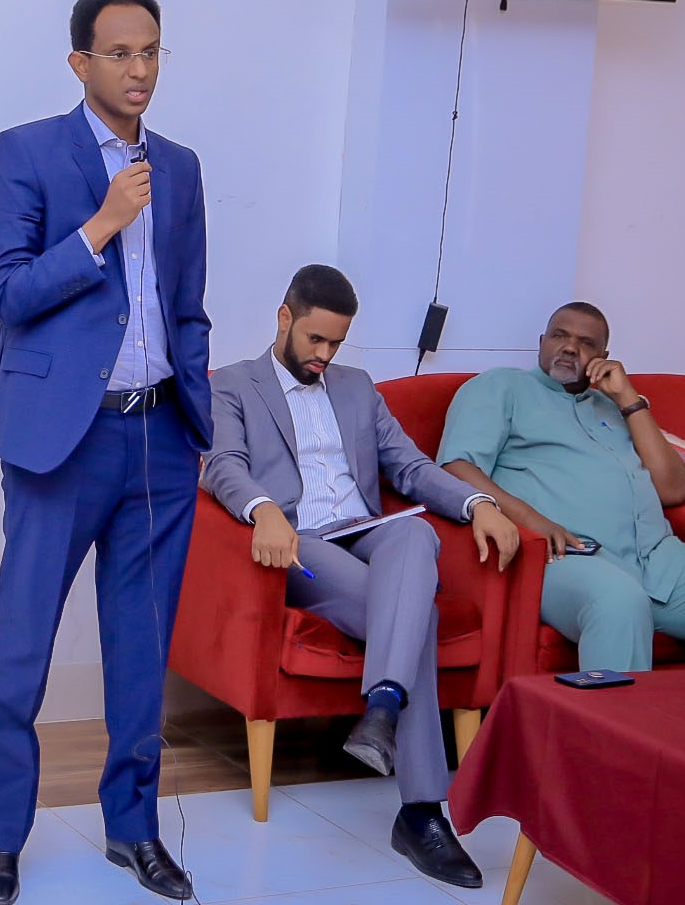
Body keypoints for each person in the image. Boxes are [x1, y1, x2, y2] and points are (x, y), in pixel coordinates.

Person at [0, 0, 212, 905]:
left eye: (151, 51)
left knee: (141, 649)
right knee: (23, 646)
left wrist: (198, 424)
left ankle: (134, 830)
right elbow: (10, 293)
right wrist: (102, 223)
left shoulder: (181, 167)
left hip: (160, 438)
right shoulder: (27, 152)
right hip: (59, 443)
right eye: (120, 53)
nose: (139, 70)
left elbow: (188, 306)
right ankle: (2, 837)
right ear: (81, 63)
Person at [203, 265, 519, 890]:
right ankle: (422, 813)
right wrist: (263, 509)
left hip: (367, 530)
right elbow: (223, 464)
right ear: (285, 318)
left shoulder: (357, 388)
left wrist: (479, 503)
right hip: (303, 544)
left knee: (416, 533)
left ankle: (382, 706)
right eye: (315, 340)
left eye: (337, 343)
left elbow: (410, 466)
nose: (325, 355)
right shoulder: (233, 385)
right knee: (419, 612)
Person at [437, 302, 685, 673]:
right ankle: (617, 715)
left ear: (602, 358)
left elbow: (673, 490)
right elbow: (456, 467)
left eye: (585, 342)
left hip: (657, 557)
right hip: (566, 556)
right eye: (559, 336)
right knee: (620, 601)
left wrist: (629, 400)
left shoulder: (612, 405)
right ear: (541, 342)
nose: (569, 347)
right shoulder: (500, 387)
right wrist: (531, 518)